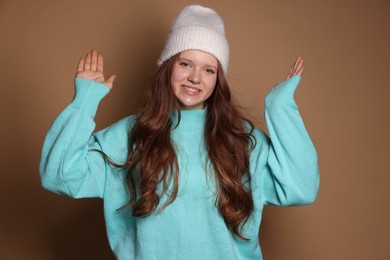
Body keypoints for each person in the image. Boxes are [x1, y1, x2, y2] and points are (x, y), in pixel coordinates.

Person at [39, 4, 319, 260]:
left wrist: (280, 108)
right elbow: (59, 176)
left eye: (208, 70)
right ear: (167, 67)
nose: (195, 77)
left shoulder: (241, 139)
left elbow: (302, 188)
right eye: (185, 64)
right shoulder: (130, 135)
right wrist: (84, 101)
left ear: (217, 80)